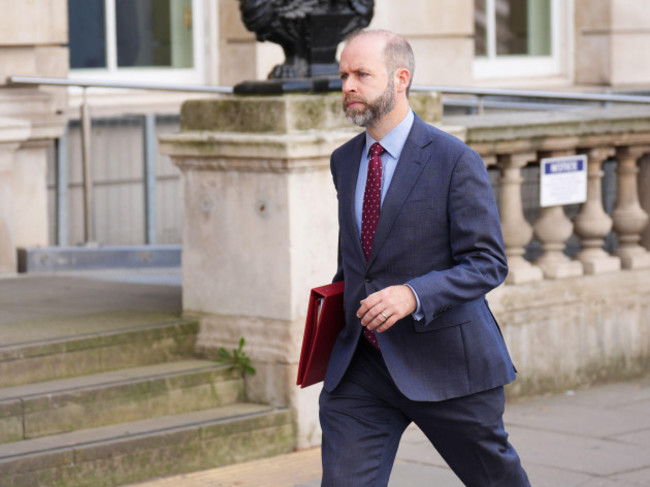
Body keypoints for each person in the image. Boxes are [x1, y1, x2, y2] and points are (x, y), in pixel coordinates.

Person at [320, 29, 530, 486]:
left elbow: (488, 261)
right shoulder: (344, 161)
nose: (348, 86)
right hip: (363, 369)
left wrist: (413, 295)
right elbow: (357, 258)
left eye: (361, 74)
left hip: (446, 365)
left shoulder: (455, 160)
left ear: (401, 78)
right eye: (343, 76)